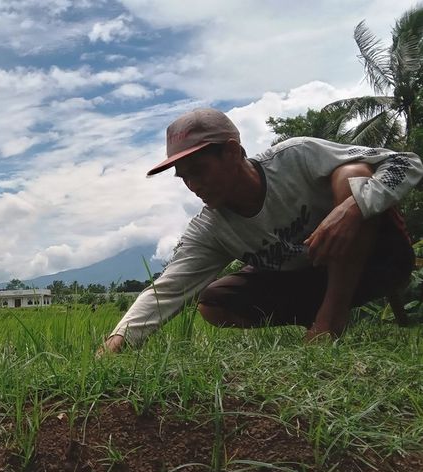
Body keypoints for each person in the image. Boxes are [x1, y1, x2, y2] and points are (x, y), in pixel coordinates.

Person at [100, 108, 423, 354]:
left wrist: (351, 210)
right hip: (311, 277)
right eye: (184, 177)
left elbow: (405, 163)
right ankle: (319, 318)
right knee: (214, 302)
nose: (193, 185)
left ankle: (331, 320)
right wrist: (111, 348)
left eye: (199, 170)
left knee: (351, 173)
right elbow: (166, 291)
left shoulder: (295, 157)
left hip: (382, 260)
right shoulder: (212, 228)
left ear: (232, 152)